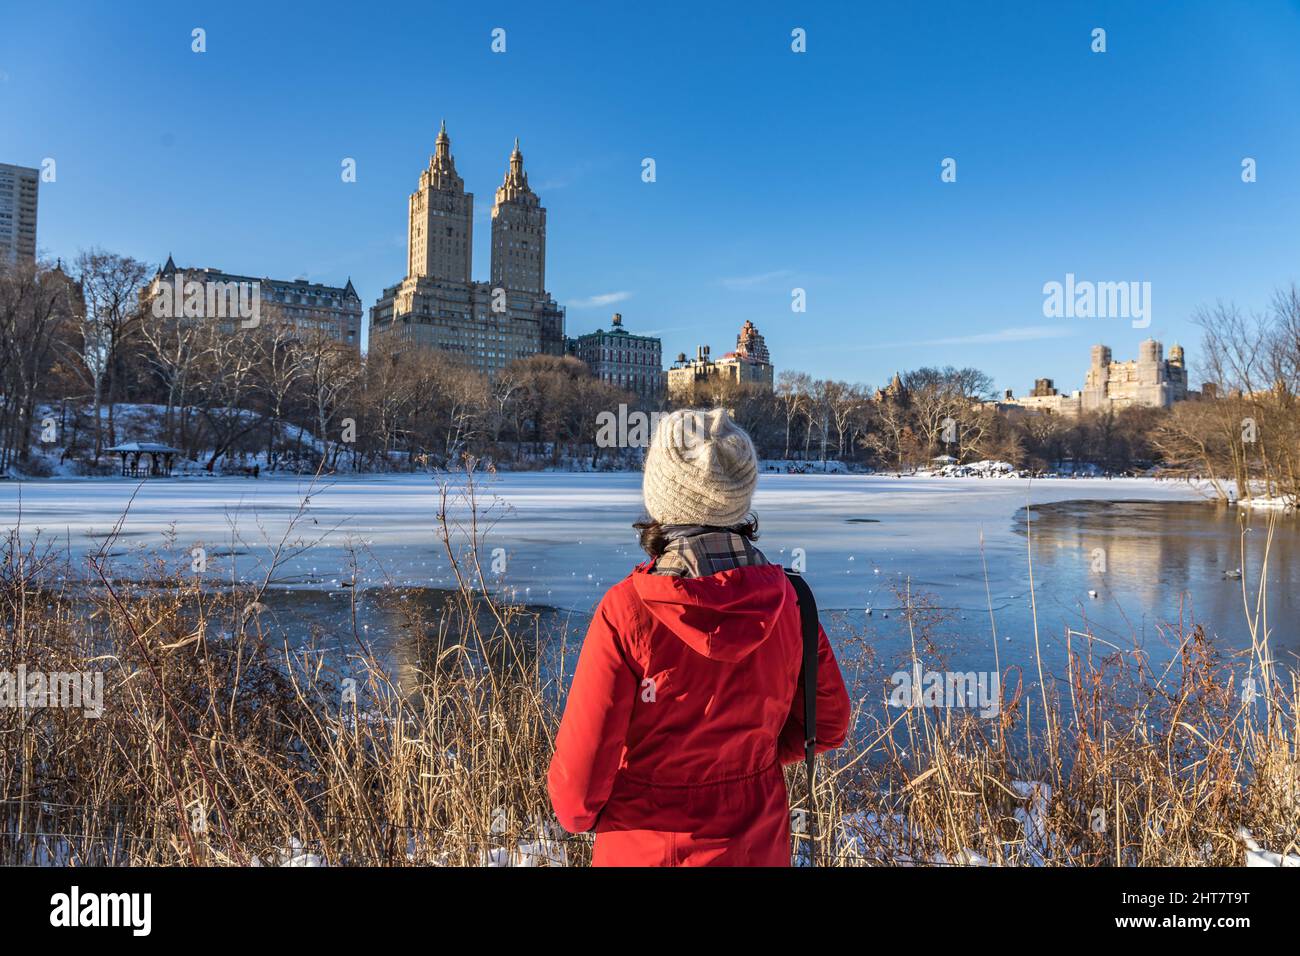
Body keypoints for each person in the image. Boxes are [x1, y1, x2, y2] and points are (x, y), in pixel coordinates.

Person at [547, 408, 851, 866]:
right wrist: (751, 763)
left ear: (662, 498)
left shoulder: (627, 610)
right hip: (758, 847)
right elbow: (826, 726)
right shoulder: (791, 602)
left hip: (645, 848)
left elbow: (577, 795)